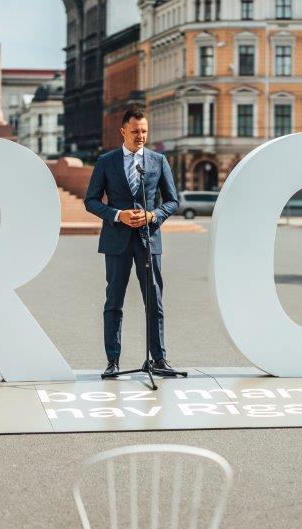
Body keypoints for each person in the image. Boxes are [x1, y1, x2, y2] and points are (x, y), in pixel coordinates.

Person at [84, 108, 181, 379]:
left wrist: (153, 215)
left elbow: (172, 201)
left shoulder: (158, 160)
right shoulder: (106, 161)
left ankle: (158, 359)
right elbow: (91, 201)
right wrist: (118, 215)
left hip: (148, 241)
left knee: (155, 302)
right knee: (114, 302)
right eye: (135, 131)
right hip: (116, 241)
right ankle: (112, 361)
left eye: (144, 131)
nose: (141, 136)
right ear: (123, 131)